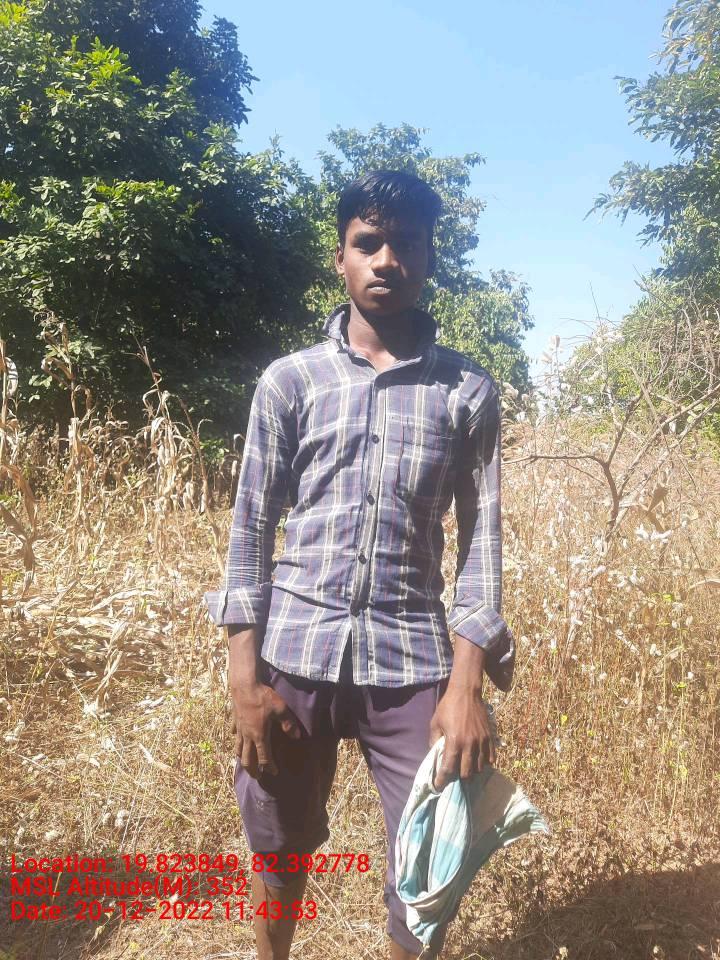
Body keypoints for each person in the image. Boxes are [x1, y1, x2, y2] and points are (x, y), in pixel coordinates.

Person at [203, 169, 515, 959]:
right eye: (367, 242)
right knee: (277, 847)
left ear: (430, 257)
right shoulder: (291, 382)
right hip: (294, 654)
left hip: (412, 660)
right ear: (339, 257)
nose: (386, 260)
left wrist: (466, 686)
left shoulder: (466, 391)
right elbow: (250, 527)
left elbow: (482, 540)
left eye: (405, 243)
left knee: (430, 862)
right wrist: (243, 678)